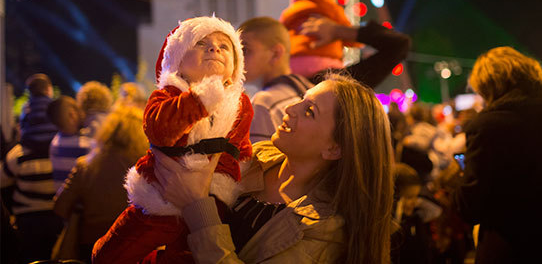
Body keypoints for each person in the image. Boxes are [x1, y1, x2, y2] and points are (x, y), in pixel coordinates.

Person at [151, 74, 394, 263]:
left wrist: (198, 209)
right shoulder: (256, 154)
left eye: (309, 111)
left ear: (334, 149)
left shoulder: (324, 229)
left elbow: (196, 200)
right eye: (301, 99)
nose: (290, 109)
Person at [93, 16, 253, 264]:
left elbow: (242, 149)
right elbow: (159, 129)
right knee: (111, 254)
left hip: (211, 201)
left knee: (187, 256)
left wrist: (231, 179)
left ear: (235, 67)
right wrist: (198, 101)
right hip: (158, 197)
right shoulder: (167, 95)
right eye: (201, 43)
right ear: (177, 61)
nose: (214, 49)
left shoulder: (241, 105)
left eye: (225, 46)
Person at [453, 46, 542, 263]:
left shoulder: (487, 127)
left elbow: (470, 207)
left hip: (509, 251)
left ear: (490, 86)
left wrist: (460, 175)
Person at [279, 0, 411, 88]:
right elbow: (400, 45)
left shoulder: (277, 87)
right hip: (332, 75)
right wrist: (339, 31)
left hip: (289, 74)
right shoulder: (346, 86)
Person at [53, 103, 149, 263]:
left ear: (107, 131)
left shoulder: (85, 166)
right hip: (134, 246)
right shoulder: (144, 168)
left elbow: (60, 207)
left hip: (92, 246)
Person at [0, 73, 62, 263]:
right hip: (57, 212)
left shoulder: (27, 108)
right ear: (48, 89)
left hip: (27, 218)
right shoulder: (54, 107)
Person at [239, 17, 313, 144]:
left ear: (276, 54)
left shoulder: (263, 104)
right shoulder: (307, 90)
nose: (238, 58)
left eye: (245, 50)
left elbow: (259, 162)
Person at [47, 96, 93, 191]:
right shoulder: (85, 145)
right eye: (77, 108)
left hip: (63, 200)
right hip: (81, 203)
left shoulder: (54, 143)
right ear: (72, 115)